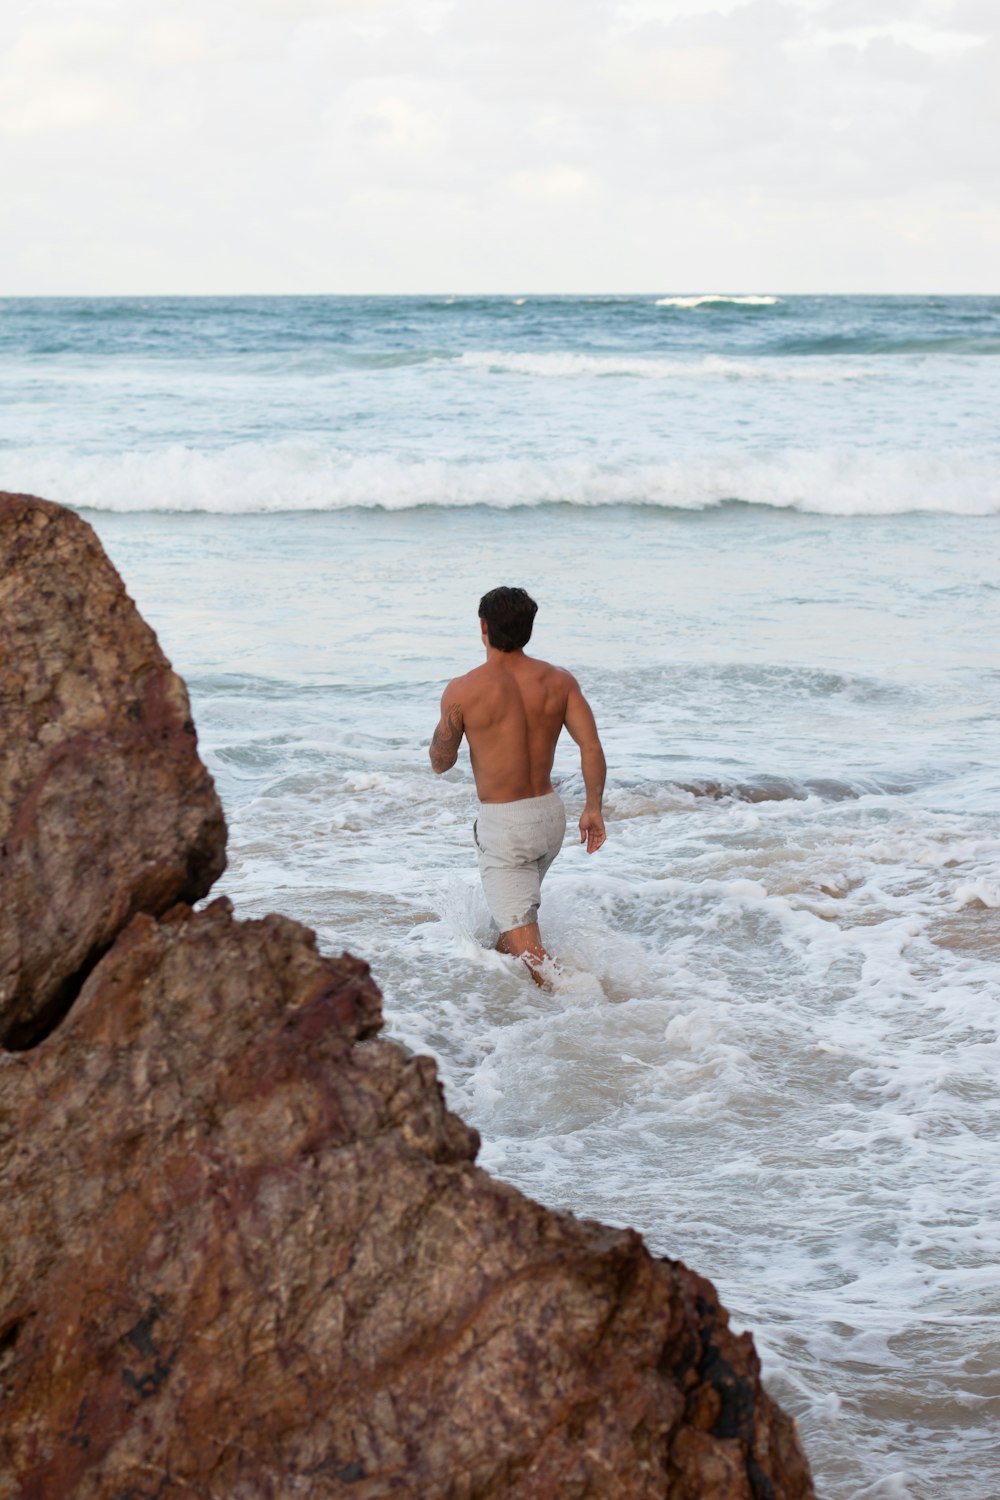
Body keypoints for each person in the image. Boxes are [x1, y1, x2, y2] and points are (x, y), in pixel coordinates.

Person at [429, 586, 606, 983]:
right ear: (529, 628)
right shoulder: (559, 681)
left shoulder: (463, 690)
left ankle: (586, 1011)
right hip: (550, 817)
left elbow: (442, 762)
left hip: (506, 828)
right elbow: (591, 746)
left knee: (531, 952)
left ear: (483, 627)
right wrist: (592, 809)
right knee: (509, 931)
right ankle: (507, 1013)